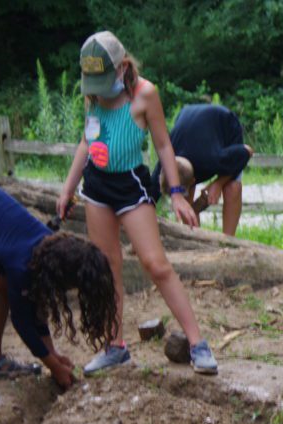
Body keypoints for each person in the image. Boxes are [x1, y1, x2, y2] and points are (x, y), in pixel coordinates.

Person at [57, 31, 218, 376]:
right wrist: (68, 189)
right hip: (97, 187)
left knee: (155, 263)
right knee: (106, 266)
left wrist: (176, 193)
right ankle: (115, 346)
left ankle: (197, 343)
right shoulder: (93, 95)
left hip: (131, 185)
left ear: (122, 67)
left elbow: (163, 145)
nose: (97, 87)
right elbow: (87, 143)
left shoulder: (145, 95)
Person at [0, 174, 118, 407]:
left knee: (1, 285)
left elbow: (34, 310)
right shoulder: (24, 263)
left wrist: (53, 355)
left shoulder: (47, 250)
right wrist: (53, 365)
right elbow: (22, 322)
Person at [150, 104, 254, 235]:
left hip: (225, 124)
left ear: (194, 180)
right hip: (188, 118)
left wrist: (218, 183)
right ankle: (196, 237)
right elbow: (148, 198)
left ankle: (228, 242)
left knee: (232, 188)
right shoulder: (165, 162)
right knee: (184, 198)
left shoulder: (214, 159)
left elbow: (248, 151)